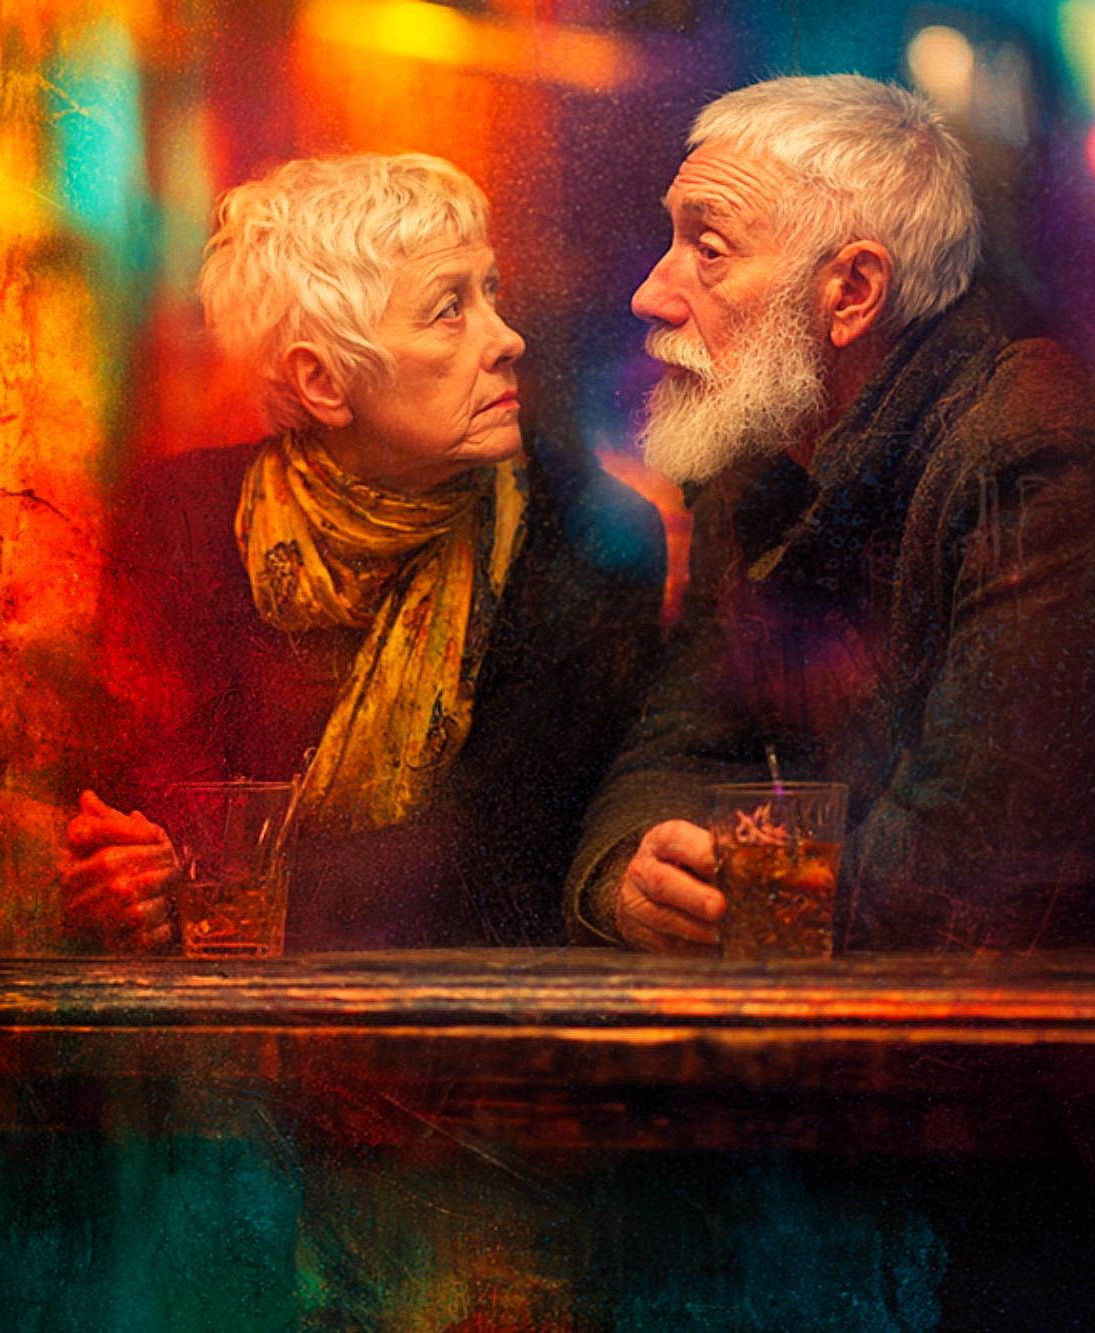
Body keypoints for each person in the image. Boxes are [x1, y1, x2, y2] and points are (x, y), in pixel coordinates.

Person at [567, 75, 1095, 954]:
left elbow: (961, 885)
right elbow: (676, 752)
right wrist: (633, 877)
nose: (652, 292)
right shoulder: (765, 465)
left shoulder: (1040, 461)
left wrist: (735, 902)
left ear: (852, 292)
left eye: (708, 249)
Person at [61, 152, 665, 952]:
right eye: (449, 309)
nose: (506, 338)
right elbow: (126, 802)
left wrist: (207, 881)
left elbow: (503, 866)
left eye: (490, 292)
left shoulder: (588, 535)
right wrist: (121, 872)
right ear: (323, 383)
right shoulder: (179, 516)